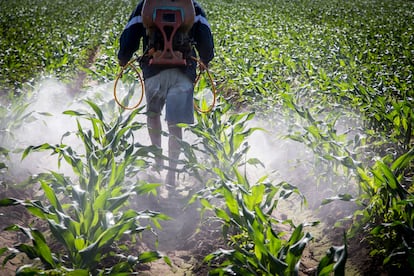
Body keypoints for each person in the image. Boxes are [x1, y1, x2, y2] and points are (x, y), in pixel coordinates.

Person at [117, 1, 214, 193]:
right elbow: (206, 42)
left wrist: (123, 59)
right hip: (183, 74)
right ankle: (171, 173)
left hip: (154, 73)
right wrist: (205, 59)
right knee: (175, 124)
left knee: (153, 116)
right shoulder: (193, 6)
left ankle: (158, 161)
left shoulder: (146, 5)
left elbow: (130, 37)